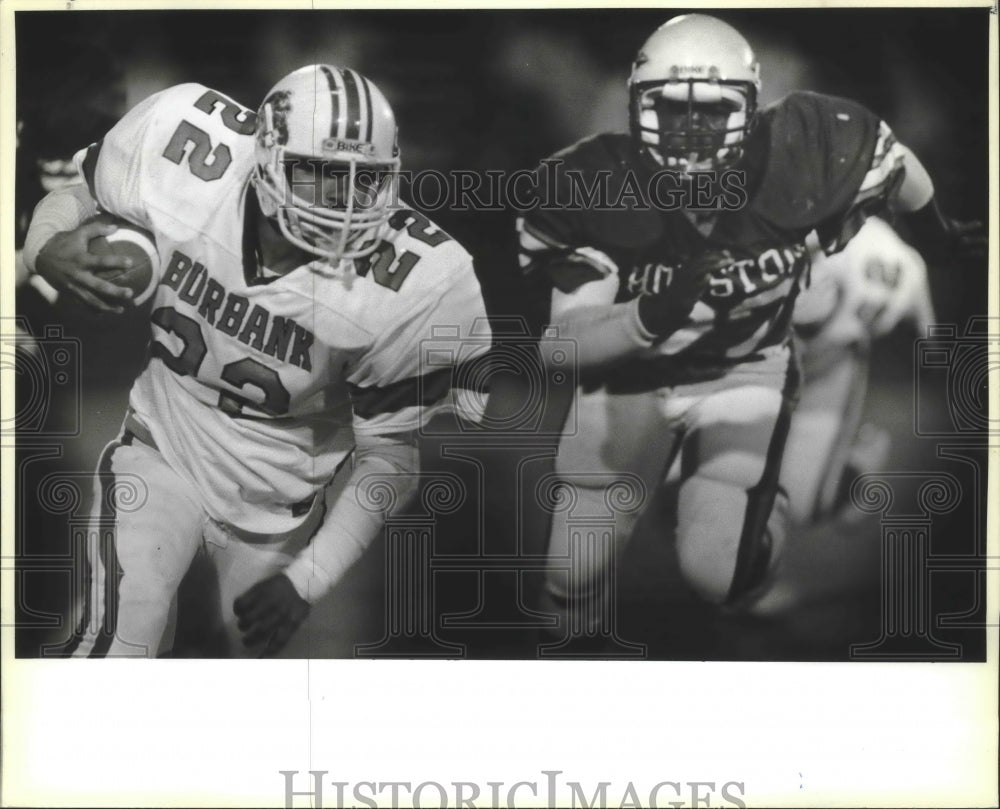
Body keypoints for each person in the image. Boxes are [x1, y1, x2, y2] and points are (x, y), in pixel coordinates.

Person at [516, 14, 981, 647]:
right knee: (574, 573)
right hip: (630, 374)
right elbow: (561, 347)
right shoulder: (593, 183)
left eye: (712, 109)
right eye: (671, 110)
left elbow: (896, 163)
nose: (691, 133)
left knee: (720, 570)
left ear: (755, 106)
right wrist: (647, 315)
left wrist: (935, 237)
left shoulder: (811, 158)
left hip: (745, 370)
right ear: (634, 106)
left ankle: (779, 500)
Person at [23, 64, 490, 657]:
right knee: (114, 650)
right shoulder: (185, 146)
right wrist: (44, 246)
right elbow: (79, 192)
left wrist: (308, 578)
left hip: (281, 512)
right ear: (266, 158)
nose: (345, 204)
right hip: (162, 450)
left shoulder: (424, 283)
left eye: (365, 180)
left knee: (237, 705)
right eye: (320, 174)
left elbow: (392, 460)